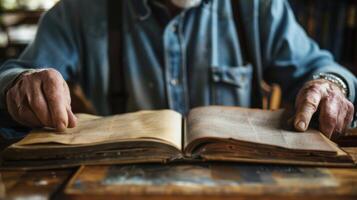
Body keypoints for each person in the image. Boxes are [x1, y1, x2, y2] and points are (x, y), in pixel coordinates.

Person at [0, 0, 356, 140]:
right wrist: (19, 86)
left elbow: (320, 69)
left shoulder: (259, 7)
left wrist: (330, 85)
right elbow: (17, 75)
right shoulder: (80, 11)